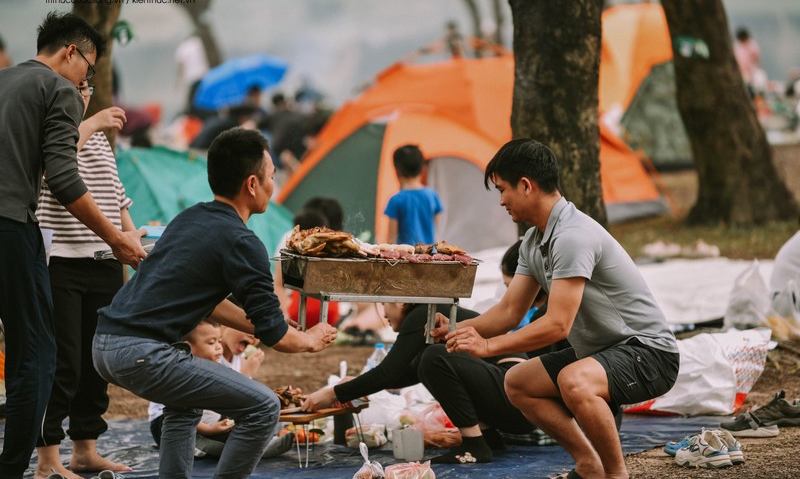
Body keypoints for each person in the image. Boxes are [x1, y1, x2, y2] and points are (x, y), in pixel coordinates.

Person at [92, 128, 337, 478]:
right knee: (264, 407)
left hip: (105, 343)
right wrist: (311, 339)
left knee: (184, 405)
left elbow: (209, 303)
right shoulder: (242, 241)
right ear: (252, 184)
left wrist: (261, 324)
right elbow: (279, 338)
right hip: (141, 352)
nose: (273, 186)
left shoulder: (190, 217)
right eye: (270, 177)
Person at [431, 139, 679, 479]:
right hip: (605, 351)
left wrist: (488, 347)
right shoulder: (535, 241)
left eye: (502, 190)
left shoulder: (573, 236)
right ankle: (589, 464)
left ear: (526, 185)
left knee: (574, 381)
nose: (501, 201)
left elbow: (558, 325)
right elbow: (508, 311)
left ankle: (617, 474)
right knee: (518, 382)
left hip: (649, 353)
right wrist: (457, 330)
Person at [0, 11, 146, 479]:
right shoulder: (57, 89)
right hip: (13, 225)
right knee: (39, 357)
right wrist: (116, 240)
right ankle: (21, 467)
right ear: (71, 53)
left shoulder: (4, 81)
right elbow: (62, 177)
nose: (88, 79)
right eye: (89, 67)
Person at [34, 88, 133, 479]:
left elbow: (117, 197)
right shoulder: (50, 132)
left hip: (104, 260)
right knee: (63, 361)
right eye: (76, 87)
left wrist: (133, 243)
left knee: (95, 363)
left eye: (86, 88)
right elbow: (52, 171)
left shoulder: (101, 144)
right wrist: (92, 123)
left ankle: (85, 450)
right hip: (60, 261)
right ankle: (47, 460)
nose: (84, 93)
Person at [301, 300, 531, 464]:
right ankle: (488, 438)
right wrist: (356, 386)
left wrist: (333, 393)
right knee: (429, 359)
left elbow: (389, 372)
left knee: (435, 357)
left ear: (402, 302)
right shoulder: (427, 313)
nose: (383, 313)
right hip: (512, 401)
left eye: (385, 304)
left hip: (515, 395)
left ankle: (474, 445)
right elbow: (407, 373)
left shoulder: (422, 312)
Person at [148, 320, 294, 460]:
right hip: (168, 424)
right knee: (215, 437)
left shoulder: (226, 359)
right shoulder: (185, 370)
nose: (218, 347)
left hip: (203, 420)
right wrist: (246, 374)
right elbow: (180, 411)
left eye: (218, 341)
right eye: (212, 343)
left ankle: (250, 443)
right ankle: (244, 448)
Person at [384, 144, 443, 245]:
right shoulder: (432, 195)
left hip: (405, 257)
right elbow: (436, 228)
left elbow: (391, 238)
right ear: (422, 169)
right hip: (429, 254)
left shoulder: (396, 200)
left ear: (397, 172)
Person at [733, 27, 765, 96]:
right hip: (741, 71)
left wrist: (756, 68)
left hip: (752, 70)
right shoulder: (737, 46)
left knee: (757, 85)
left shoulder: (752, 45)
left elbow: (756, 58)